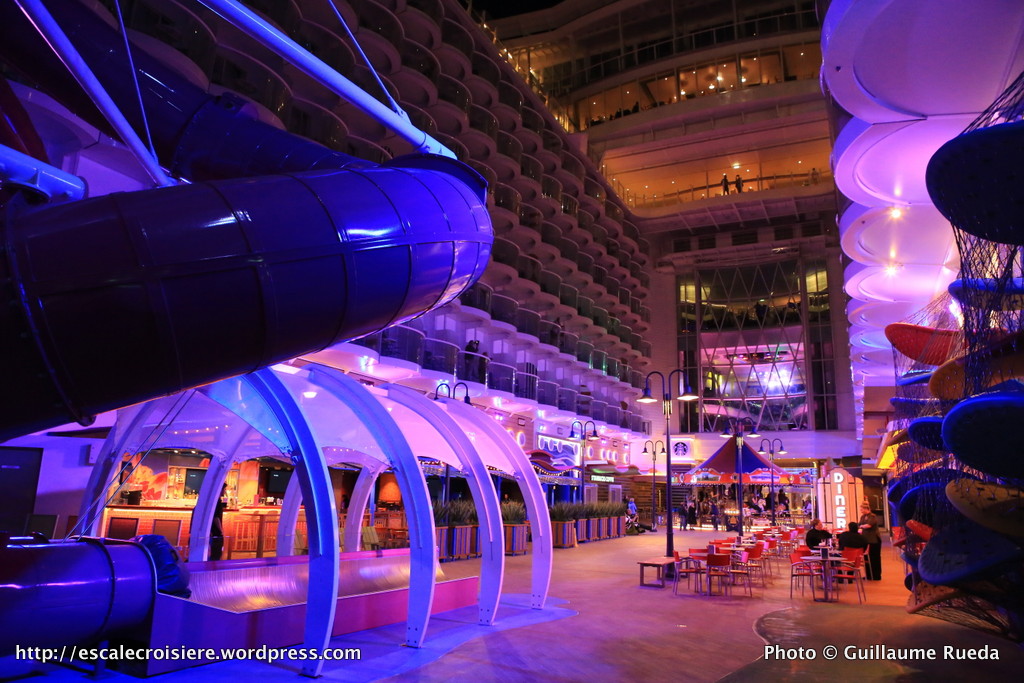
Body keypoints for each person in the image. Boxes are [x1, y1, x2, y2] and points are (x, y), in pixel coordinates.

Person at [859, 501, 882, 580]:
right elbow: (860, 525)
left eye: (862, 509)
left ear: (866, 509)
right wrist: (862, 526)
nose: (861, 511)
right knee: (866, 558)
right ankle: (868, 575)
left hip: (874, 540)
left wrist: (862, 526)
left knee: (874, 557)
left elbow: (868, 525)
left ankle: (876, 575)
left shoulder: (872, 516)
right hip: (865, 539)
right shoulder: (862, 517)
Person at [210, 484, 227, 561]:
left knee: (215, 552)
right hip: (215, 531)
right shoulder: (217, 502)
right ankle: (214, 566)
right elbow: (216, 517)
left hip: (213, 530)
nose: (225, 492)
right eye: (224, 490)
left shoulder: (215, 500)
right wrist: (221, 530)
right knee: (217, 553)